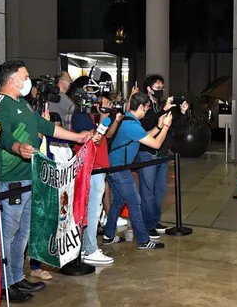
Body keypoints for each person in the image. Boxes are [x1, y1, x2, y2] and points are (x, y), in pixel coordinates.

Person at [0, 60, 94, 302]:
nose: (29, 80)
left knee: (24, 232)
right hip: (11, 179)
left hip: (31, 175)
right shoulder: (1, 104)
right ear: (13, 80)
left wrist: (77, 137)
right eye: (25, 75)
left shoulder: (24, 105)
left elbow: (47, 127)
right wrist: (16, 147)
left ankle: (17, 277)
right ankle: (3, 284)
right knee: (8, 232)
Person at [103, 92, 173, 250]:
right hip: (119, 168)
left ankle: (108, 234)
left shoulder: (129, 120)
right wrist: (166, 127)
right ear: (141, 106)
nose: (147, 111)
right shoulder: (132, 125)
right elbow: (155, 144)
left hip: (116, 166)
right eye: (146, 108)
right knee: (135, 201)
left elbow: (144, 136)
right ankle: (143, 239)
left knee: (119, 201)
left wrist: (159, 126)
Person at [71, 90, 119, 265]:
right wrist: (103, 117)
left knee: (95, 208)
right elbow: (96, 138)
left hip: (98, 164)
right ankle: (90, 248)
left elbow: (105, 134)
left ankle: (87, 247)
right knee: (92, 209)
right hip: (91, 166)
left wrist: (105, 117)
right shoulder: (81, 115)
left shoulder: (90, 114)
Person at [138, 74, 188, 237]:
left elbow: (174, 127)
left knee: (159, 190)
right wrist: (163, 110)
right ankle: (147, 224)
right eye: (157, 88)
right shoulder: (143, 106)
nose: (160, 91)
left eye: (162, 88)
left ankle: (154, 220)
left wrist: (183, 113)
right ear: (149, 89)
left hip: (163, 154)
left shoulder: (163, 105)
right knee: (147, 191)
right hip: (147, 154)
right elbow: (147, 124)